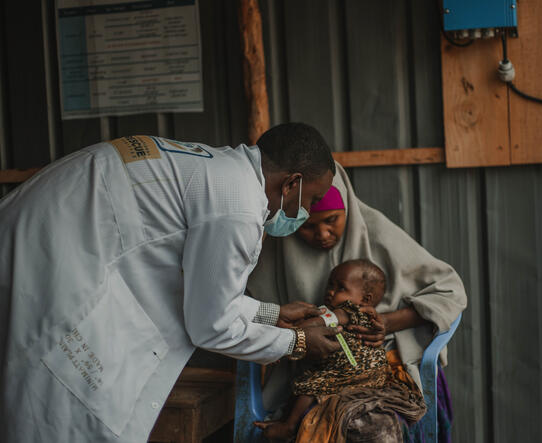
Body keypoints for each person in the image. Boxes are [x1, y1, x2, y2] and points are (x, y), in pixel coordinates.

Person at [0, 123, 343, 443]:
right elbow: (212, 327)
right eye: (312, 200)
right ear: (291, 183)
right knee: (61, 401)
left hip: (49, 234)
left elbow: (209, 291)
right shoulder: (237, 208)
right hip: (50, 258)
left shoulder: (225, 170)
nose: (306, 211)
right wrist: (297, 342)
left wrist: (271, 313)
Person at [247, 164, 467, 440]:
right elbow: (247, 310)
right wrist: (289, 333)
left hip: (385, 366)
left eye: (332, 220)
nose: (323, 234)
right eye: (307, 225)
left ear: (347, 211)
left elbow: (450, 292)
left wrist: (386, 322)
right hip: (308, 368)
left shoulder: (377, 233)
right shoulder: (277, 247)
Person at [255, 259, 425, 440]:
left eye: (340, 288)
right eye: (330, 285)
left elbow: (317, 323)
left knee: (311, 384)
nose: (330, 292)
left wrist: (289, 333)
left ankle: (289, 426)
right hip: (373, 376)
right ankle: (284, 420)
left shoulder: (346, 311)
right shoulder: (370, 317)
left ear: (365, 299)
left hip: (347, 371)